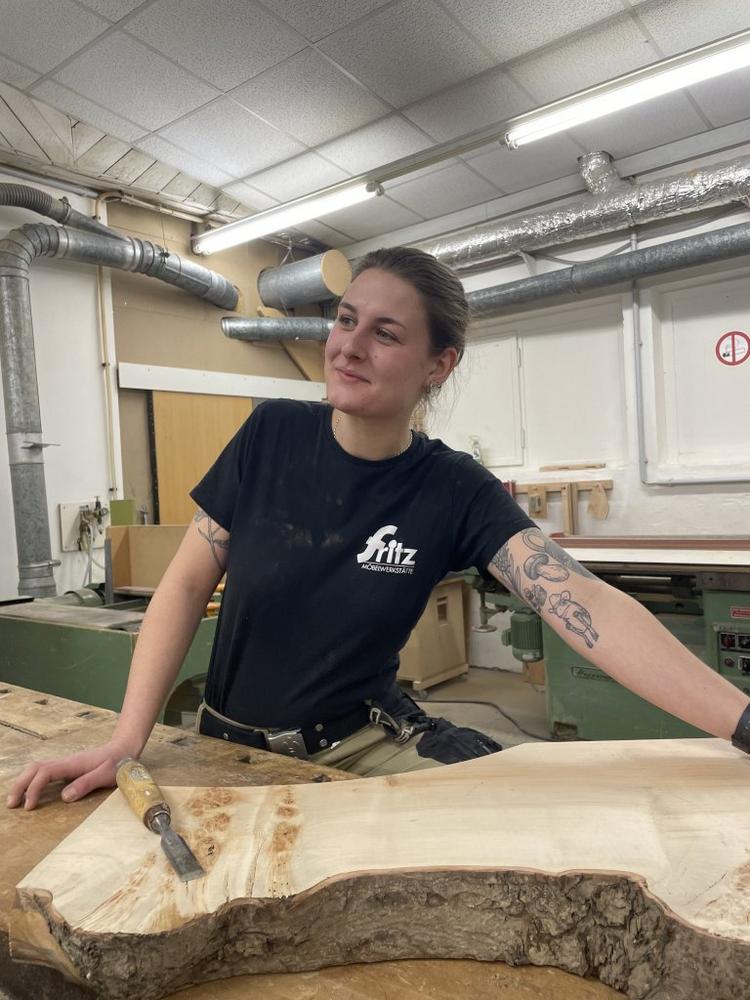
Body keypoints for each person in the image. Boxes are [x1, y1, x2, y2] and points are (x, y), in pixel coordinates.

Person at [7, 246, 750, 811]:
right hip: (228, 744)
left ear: (438, 365)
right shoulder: (270, 435)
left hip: (362, 743)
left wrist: (742, 722)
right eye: (345, 320)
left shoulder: (453, 486)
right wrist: (126, 739)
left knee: (527, 821)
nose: (349, 346)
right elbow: (184, 586)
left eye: (385, 333)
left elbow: (581, 603)